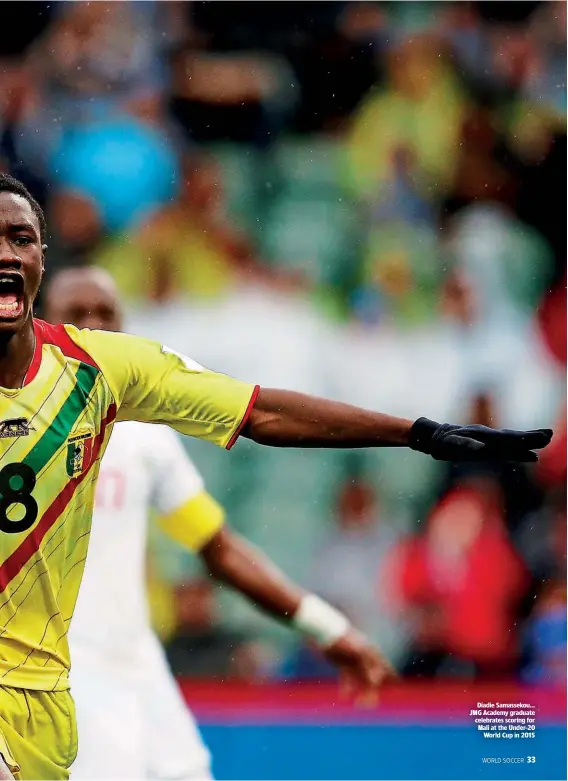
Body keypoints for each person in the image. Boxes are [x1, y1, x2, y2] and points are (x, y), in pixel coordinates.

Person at [0, 173, 552, 780]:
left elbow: (251, 445)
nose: (96, 322)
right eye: (82, 313)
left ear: (41, 260)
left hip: (64, 690)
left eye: (20, 238)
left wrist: (415, 433)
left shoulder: (119, 401)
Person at [44, 266, 389, 780]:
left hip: (138, 665)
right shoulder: (19, 428)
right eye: (78, 315)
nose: (95, 325)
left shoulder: (145, 438)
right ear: (47, 324)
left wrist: (328, 628)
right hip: (57, 674)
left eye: (107, 313)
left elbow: (218, 547)